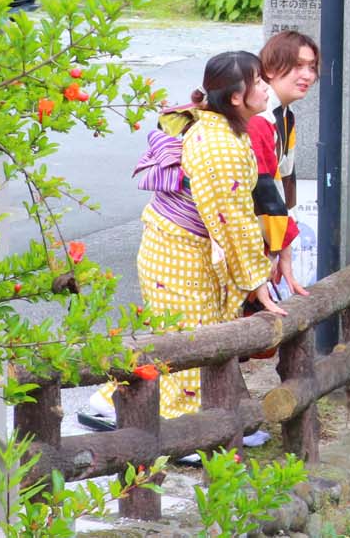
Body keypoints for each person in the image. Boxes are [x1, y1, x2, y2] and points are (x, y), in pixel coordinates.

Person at [82, 52, 285, 429]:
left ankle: (111, 402)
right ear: (237, 97)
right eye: (257, 82)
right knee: (188, 342)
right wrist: (257, 282)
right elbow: (233, 220)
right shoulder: (219, 142)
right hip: (177, 253)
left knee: (179, 336)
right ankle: (182, 428)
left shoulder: (226, 129)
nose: (265, 88)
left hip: (179, 249)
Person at [249, 30, 319, 297]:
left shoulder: (285, 115)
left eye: (312, 67)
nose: (308, 76)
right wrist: (277, 251)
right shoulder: (259, 118)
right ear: (269, 68)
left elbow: (282, 190)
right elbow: (264, 192)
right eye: (298, 65)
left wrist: (280, 250)